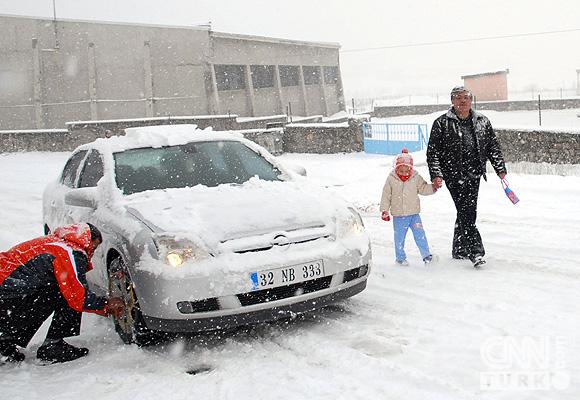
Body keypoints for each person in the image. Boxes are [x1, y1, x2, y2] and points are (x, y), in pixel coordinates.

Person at [0, 223, 125, 364]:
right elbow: (78, 298)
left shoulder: (53, 243)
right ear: (87, 241)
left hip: (8, 298)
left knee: (50, 287)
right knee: (66, 291)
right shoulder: (71, 252)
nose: (93, 252)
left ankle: (4, 342)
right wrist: (106, 304)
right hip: (8, 300)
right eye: (94, 247)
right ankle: (53, 346)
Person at [427, 86, 507, 268]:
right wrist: (437, 174)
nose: (463, 101)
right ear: (452, 101)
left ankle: (459, 249)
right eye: (458, 98)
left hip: (475, 174)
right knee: (467, 212)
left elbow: (492, 147)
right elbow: (433, 152)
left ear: (471, 100)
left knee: (464, 211)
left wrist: (500, 168)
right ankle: (475, 251)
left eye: (466, 97)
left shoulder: (482, 121)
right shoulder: (441, 123)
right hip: (453, 176)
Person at [380, 148, 438, 266]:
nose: (404, 173)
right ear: (396, 168)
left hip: (414, 215)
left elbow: (423, 188)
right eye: (401, 171)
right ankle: (400, 258)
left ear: (411, 168)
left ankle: (427, 256)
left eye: (407, 170)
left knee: (420, 235)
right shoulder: (391, 179)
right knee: (399, 238)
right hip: (399, 216)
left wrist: (433, 187)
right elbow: (386, 195)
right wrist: (384, 210)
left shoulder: (415, 177)